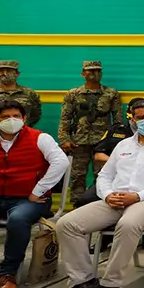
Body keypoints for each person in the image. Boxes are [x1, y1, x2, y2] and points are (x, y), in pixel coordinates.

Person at [51, 98, 144, 288]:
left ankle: (110, 285)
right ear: (132, 119)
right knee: (67, 224)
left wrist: (138, 196)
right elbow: (104, 176)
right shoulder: (122, 145)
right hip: (116, 200)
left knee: (129, 224)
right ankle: (83, 282)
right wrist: (108, 196)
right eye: (141, 118)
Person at [0, 100, 68, 288]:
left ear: (24, 118)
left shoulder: (40, 138)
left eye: (16, 116)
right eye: (6, 117)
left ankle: (7, 274)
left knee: (17, 220)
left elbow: (61, 162)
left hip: (30, 200)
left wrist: (38, 190)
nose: (12, 120)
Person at [74, 97, 144, 209]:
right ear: (132, 117)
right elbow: (98, 155)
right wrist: (122, 162)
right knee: (84, 201)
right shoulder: (117, 130)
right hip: (115, 178)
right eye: (140, 117)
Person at [58, 61, 122, 205]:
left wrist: (114, 142)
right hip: (78, 141)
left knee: (102, 175)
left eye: (98, 70)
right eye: (90, 71)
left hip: (102, 143)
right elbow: (65, 118)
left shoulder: (111, 93)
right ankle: (76, 205)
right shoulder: (73, 94)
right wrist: (64, 139)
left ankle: (98, 205)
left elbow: (118, 120)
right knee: (77, 176)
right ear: (83, 74)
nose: (94, 73)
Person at [0, 60, 41, 142]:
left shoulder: (29, 94)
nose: (4, 73)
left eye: (9, 71)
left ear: (17, 74)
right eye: (1, 71)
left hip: (20, 139)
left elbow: (34, 116)